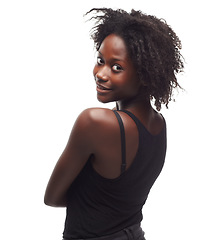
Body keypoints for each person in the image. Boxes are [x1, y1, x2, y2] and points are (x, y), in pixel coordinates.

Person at [44, 8, 184, 240]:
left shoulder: (96, 122)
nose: (101, 73)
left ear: (145, 74)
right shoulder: (159, 123)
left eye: (116, 67)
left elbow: (52, 197)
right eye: (101, 61)